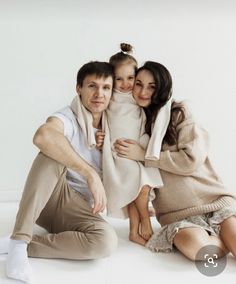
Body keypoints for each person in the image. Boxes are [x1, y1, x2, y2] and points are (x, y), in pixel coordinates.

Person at [0, 61, 118, 283]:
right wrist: (90, 173)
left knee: (106, 242)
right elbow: (43, 135)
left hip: (82, 209)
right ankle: (19, 242)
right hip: (52, 198)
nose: (99, 94)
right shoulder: (68, 116)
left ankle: (21, 245)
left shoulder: (116, 124)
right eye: (92, 86)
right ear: (78, 89)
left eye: (106, 87)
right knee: (51, 153)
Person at [114, 60, 236, 261]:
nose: (144, 91)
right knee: (200, 251)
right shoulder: (132, 122)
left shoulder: (178, 113)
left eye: (152, 86)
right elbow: (129, 176)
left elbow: (190, 160)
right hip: (177, 215)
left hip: (212, 201)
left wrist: (145, 156)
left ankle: (223, 231)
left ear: (162, 88)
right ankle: (220, 238)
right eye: (138, 84)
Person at [97, 44, 167, 246]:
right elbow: (99, 118)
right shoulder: (109, 97)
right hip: (118, 152)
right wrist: (100, 138)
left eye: (130, 78)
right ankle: (146, 221)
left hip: (136, 149)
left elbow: (145, 124)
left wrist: (143, 147)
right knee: (139, 184)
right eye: (119, 78)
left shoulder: (138, 97)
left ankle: (134, 233)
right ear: (111, 78)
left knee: (137, 189)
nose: (126, 84)